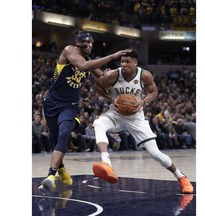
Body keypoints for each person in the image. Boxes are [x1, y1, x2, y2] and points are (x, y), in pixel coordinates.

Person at [37, 29, 132, 195]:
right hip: (51, 103)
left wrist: (112, 76)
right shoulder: (69, 50)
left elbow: (103, 79)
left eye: (91, 43)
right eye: (86, 42)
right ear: (78, 43)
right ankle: (62, 171)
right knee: (55, 141)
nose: (89, 45)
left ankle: (50, 177)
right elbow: (84, 66)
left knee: (63, 134)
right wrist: (112, 56)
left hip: (70, 105)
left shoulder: (89, 61)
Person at [92, 50, 194, 193]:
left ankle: (181, 177)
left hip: (136, 117)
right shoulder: (113, 75)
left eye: (127, 62)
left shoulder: (144, 75)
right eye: (122, 62)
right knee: (98, 123)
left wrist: (143, 101)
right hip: (115, 113)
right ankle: (106, 162)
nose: (124, 64)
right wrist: (111, 99)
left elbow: (154, 92)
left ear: (135, 63)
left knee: (156, 153)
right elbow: (97, 86)